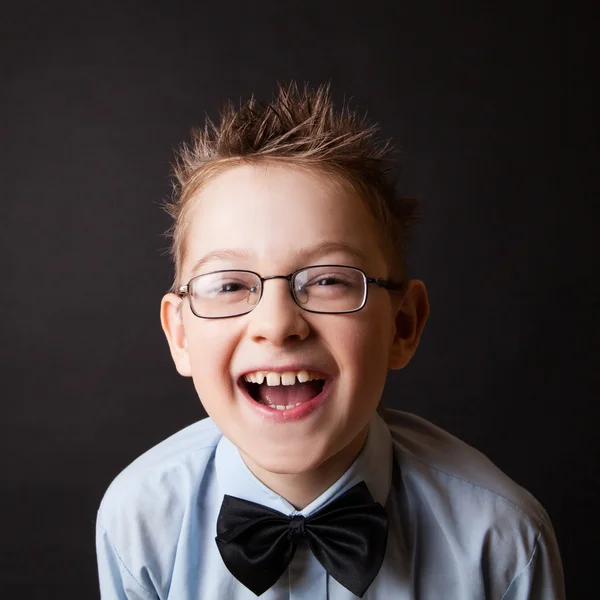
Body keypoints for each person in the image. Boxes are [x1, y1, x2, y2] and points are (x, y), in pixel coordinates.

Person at [95, 82, 565, 599]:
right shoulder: (138, 520)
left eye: (328, 280)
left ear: (403, 325)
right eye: (229, 285)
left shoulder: (503, 542)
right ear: (180, 335)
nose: (277, 325)